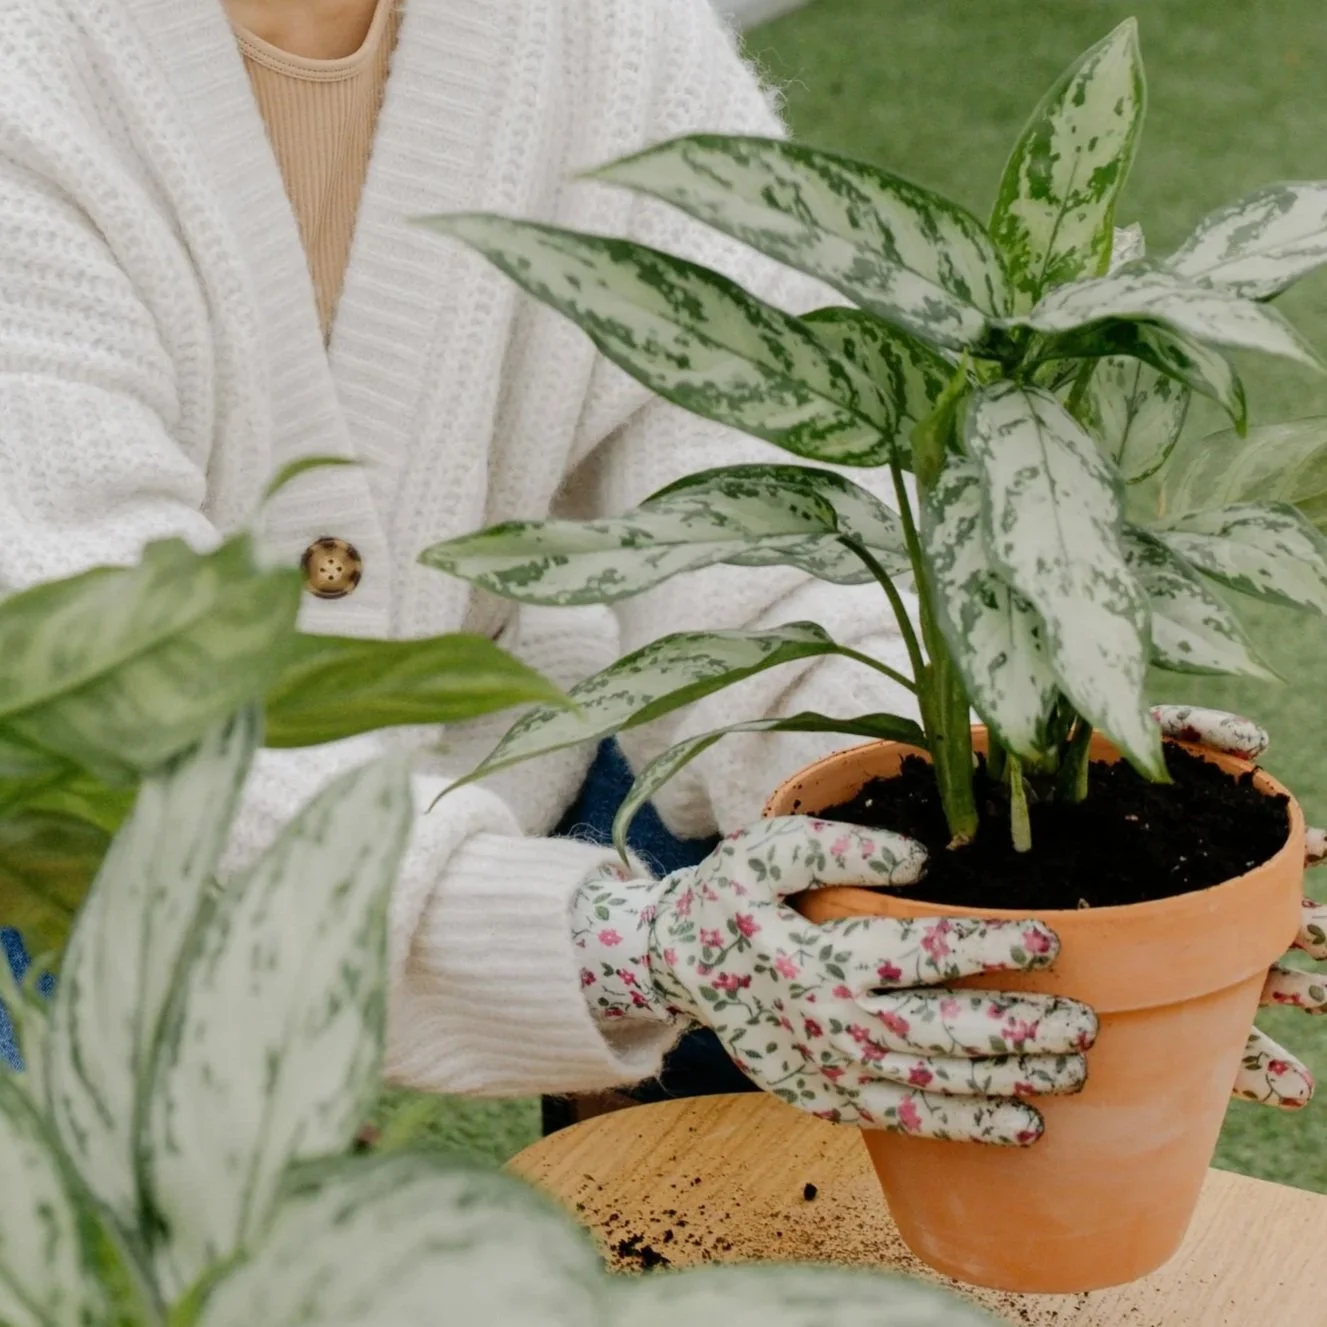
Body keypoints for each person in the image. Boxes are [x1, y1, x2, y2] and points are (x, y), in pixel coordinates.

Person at [0, 0, 1322, 1148]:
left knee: (816, 940)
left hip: (497, 747)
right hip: (74, 836)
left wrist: (975, 785)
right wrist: (612, 946)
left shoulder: (599, 31)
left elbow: (757, 488)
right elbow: (105, 719)